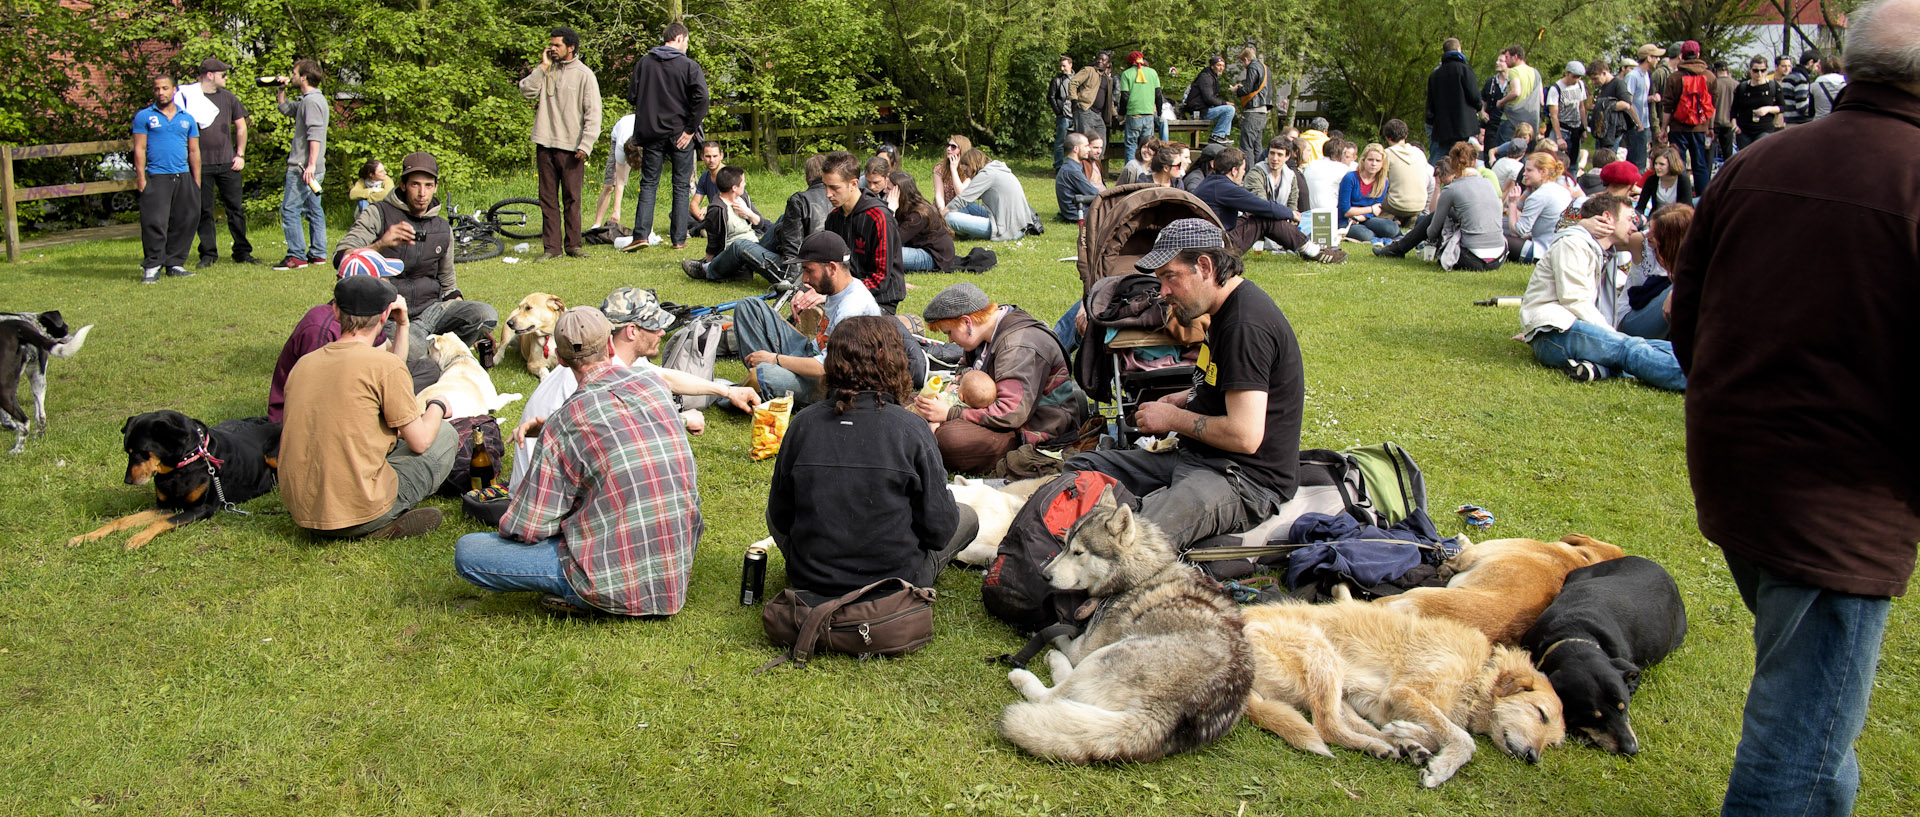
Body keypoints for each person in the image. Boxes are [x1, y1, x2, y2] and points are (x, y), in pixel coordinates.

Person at [1672, 6, 1920, 813]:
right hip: (1841, 491)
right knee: (1802, 727)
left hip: (1742, 464)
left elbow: (1687, 315)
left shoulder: (1760, 159)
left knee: (1811, 693)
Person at [1064, 219, 1301, 548]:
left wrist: (1174, 419)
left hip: (1243, 478)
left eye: (1169, 276)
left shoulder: (1246, 325)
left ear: (1204, 266)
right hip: (1198, 457)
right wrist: (1184, 397)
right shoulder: (1222, 312)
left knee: (1135, 543)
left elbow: (1245, 436)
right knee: (1083, 466)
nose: (1162, 292)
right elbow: (1227, 383)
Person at [457, 307, 703, 616]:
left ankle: (583, 597)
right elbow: (616, 423)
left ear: (559, 359)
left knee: (469, 551)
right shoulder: (653, 386)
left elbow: (529, 527)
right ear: (611, 346)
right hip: (675, 562)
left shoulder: (565, 422)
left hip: (614, 579)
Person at [768, 315, 972, 597]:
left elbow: (780, 516)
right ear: (895, 361)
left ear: (832, 362)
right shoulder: (912, 429)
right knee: (967, 517)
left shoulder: (803, 423)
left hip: (812, 576)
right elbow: (940, 528)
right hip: (894, 584)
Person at [506, 288, 759, 488]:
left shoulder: (606, 356)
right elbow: (617, 429)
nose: (662, 332)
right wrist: (680, 419)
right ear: (631, 331)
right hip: (543, 490)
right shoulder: (599, 373)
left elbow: (666, 377)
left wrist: (727, 391)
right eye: (654, 325)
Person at [280, 274, 455, 540]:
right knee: (443, 435)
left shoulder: (304, 365)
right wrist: (438, 405)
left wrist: (404, 326)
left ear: (336, 311)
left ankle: (353, 518)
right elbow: (419, 442)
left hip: (303, 511)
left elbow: (389, 372)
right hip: (361, 509)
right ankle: (374, 525)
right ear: (386, 315)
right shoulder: (383, 366)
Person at [331, 151, 500, 379]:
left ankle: (442, 349)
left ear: (436, 186)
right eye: (415, 185)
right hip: (394, 313)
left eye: (428, 185)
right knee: (413, 352)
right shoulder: (378, 214)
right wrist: (381, 243)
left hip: (431, 309)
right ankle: (429, 357)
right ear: (402, 184)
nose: (422, 193)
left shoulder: (442, 227)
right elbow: (341, 258)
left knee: (485, 314)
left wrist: (469, 323)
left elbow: (448, 283)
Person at [910, 283, 1087, 474]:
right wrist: (954, 387)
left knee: (951, 440)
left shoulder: (1018, 346)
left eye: (949, 332)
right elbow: (964, 369)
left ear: (966, 322)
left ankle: (917, 438)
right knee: (914, 401)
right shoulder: (983, 333)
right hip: (994, 416)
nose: (951, 340)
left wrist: (951, 414)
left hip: (1032, 432)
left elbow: (1011, 413)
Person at [1519, 193, 1684, 390]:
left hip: (1563, 330)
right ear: (1607, 218)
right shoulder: (1573, 244)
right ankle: (1694, 379)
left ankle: (1598, 369)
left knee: (1648, 347)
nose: (1634, 227)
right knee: (1629, 349)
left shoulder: (1603, 251)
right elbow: (1575, 300)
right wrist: (1612, 335)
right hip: (1555, 331)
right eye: (1630, 219)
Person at [737, 232, 882, 404]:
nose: (805, 279)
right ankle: (763, 380)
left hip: (828, 381)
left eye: (809, 270)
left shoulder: (853, 308)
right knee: (749, 307)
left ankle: (758, 382)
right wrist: (812, 295)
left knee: (764, 374)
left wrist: (774, 359)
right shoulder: (843, 286)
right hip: (810, 352)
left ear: (832, 268)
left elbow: (826, 367)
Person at [518, 26, 602, 261]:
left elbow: (593, 113)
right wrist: (543, 67)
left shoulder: (585, 74)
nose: (552, 49)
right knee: (547, 199)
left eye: (557, 45)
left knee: (572, 199)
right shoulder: (545, 70)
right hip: (545, 142)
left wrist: (586, 144)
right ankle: (552, 249)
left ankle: (573, 245)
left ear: (571, 47)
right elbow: (526, 91)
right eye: (551, 45)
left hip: (572, 147)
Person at [622, 22, 705, 251]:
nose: (687, 46)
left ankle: (640, 235)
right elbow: (702, 99)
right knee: (680, 185)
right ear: (679, 38)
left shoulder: (644, 63)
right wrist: (690, 129)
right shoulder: (689, 66)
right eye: (687, 41)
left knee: (649, 183)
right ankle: (678, 239)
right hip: (680, 134)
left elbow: (632, 95)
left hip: (652, 133)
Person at [1376, 141, 1505, 270]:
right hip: (1499, 257)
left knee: (1436, 218)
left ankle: (1397, 249)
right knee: (1450, 216)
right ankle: (1397, 249)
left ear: (1453, 164)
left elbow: (1432, 231)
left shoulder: (1452, 189)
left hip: (1472, 259)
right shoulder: (1488, 183)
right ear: (1475, 162)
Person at [178, 58, 253, 269]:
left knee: (236, 209)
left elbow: (241, 127)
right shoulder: (188, 97)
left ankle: (242, 251)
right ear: (210, 74)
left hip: (228, 163)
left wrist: (240, 154)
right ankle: (208, 253)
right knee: (204, 210)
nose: (227, 78)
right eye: (223, 74)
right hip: (201, 164)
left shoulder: (229, 98)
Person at [132, 75, 200, 285]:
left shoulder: (187, 118)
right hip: (157, 176)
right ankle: (152, 266)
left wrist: (196, 181)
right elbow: (139, 148)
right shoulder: (144, 117)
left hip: (183, 176)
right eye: (156, 89)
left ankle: (175, 263)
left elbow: (194, 150)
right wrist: (141, 178)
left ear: (174, 90)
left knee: (185, 220)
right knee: (155, 222)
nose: (160, 93)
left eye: (164, 88)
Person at [822, 151, 905, 315]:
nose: (828, 194)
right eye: (825, 186)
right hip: (842, 294)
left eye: (834, 187)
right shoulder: (833, 219)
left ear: (853, 184)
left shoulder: (879, 218)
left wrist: (838, 293)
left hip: (880, 300)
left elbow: (880, 280)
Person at [272, 60, 329, 271]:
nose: (292, 76)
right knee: (314, 210)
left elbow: (314, 135)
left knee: (289, 209)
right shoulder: (310, 100)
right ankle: (318, 253)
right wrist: (281, 91)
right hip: (312, 167)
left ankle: (296, 256)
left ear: (304, 77)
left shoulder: (311, 102)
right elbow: (286, 109)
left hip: (303, 167)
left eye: (294, 73)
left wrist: (310, 165)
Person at [680, 165, 779, 283]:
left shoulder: (743, 197)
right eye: (743, 182)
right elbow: (713, 242)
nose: (745, 184)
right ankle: (708, 268)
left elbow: (760, 224)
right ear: (734, 188)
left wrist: (748, 212)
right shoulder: (717, 209)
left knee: (782, 222)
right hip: (734, 253)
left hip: (755, 245)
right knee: (739, 245)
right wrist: (710, 261)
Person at [1616, 202, 1688, 340]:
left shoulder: (1690, 253)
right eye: (1649, 228)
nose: (1648, 235)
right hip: (1632, 318)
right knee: (1686, 285)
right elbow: (1611, 239)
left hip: (1666, 320)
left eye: (1655, 234)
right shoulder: (1641, 242)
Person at [943, 148, 1039, 242]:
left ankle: (964, 232)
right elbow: (966, 199)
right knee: (967, 206)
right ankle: (964, 231)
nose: (967, 175)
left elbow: (962, 199)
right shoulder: (996, 169)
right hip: (1016, 224)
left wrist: (938, 216)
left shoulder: (986, 175)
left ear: (972, 166)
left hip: (1007, 230)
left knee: (950, 218)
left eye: (966, 171)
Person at [1662, 41, 1715, 194]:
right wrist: (1710, 127)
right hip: (1700, 127)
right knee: (1700, 165)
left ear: (1681, 56)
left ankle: (1682, 196)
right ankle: (1702, 198)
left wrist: (1664, 128)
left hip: (1678, 127)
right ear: (1698, 55)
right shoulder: (1710, 77)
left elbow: (1668, 106)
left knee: (1679, 164)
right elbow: (1713, 106)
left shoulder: (1674, 77)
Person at [1507, 151, 1575, 262]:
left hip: (1542, 252)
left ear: (1543, 172)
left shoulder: (1539, 196)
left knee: (1498, 240)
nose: (1524, 174)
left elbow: (1517, 232)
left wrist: (1512, 203)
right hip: (1561, 249)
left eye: (1529, 170)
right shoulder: (1562, 190)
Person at [767, 152, 831, 266]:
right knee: (782, 220)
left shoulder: (799, 200)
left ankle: (744, 267)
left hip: (805, 266)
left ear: (807, 179)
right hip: (831, 262)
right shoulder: (840, 196)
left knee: (740, 245)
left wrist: (793, 275)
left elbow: (793, 248)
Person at [1428, 38, 1483, 158]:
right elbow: (1474, 96)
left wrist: (1431, 121)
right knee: (1460, 154)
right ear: (1459, 49)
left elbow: (1430, 104)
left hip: (1442, 124)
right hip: (1463, 124)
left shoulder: (1435, 75)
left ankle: (1436, 175)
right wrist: (1479, 107)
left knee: (1442, 155)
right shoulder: (1465, 69)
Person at [891, 172, 956, 272]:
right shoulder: (906, 206)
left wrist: (890, 211)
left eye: (888, 189)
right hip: (918, 247)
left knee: (885, 255)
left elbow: (892, 242)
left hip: (934, 256)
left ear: (899, 193)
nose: (885, 191)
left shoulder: (918, 215)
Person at [1337, 143, 1400, 243]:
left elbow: (1377, 209)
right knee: (1366, 235)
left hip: (1365, 218)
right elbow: (1345, 210)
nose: (1374, 164)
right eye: (1370, 160)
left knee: (1392, 228)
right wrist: (1370, 209)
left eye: (1378, 160)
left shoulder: (1383, 181)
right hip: (1346, 221)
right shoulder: (1350, 178)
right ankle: (1377, 237)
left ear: (1382, 163)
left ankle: (1380, 235)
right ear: (1363, 160)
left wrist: (1361, 217)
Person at [588, 111, 636, 230]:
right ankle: (597, 224)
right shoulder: (620, 147)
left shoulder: (647, 141)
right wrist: (616, 211)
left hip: (639, 139)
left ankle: (647, 229)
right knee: (609, 185)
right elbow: (619, 180)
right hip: (619, 136)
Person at [1242, 136, 1309, 215]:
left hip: (1282, 221)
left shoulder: (1291, 176)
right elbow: (1262, 205)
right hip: (1256, 221)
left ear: (1287, 157)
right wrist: (1289, 214)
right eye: (1272, 153)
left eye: (1279, 154)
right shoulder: (1255, 173)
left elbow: (1292, 205)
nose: (1274, 158)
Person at [1117, 51, 1163, 164]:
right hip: (1148, 114)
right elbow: (1158, 95)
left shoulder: (1126, 74)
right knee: (1148, 145)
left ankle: (1131, 171)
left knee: (1131, 145)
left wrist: (1122, 113)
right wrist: (1160, 112)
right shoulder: (1152, 73)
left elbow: (1125, 96)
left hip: (1133, 114)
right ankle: (1147, 170)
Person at [1380, 119, 1429, 221]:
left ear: (1387, 138)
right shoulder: (1419, 153)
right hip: (1420, 205)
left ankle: (1391, 217)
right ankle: (1409, 217)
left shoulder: (1386, 154)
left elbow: (1380, 183)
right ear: (1406, 136)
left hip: (1395, 205)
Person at [1732, 55, 1784, 148]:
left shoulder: (1773, 86)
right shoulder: (1742, 87)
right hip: (1744, 131)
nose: (1759, 74)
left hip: (1764, 129)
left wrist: (1767, 109)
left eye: (1762, 70)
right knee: (1746, 160)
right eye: (1755, 71)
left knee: (1760, 157)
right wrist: (1734, 125)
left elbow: (1782, 107)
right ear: (1750, 70)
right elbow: (1734, 110)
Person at [1497, 45, 1544, 146]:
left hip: (1511, 119)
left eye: (1507, 57)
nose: (1505, 60)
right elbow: (1541, 100)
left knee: (1504, 151)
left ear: (1515, 57)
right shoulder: (1536, 73)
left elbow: (1516, 92)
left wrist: (1501, 102)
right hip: (1530, 122)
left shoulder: (1514, 71)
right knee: (1525, 154)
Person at [1624, 44, 1663, 166]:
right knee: (1637, 163)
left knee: (1642, 160)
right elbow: (1628, 102)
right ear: (1649, 58)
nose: (1659, 60)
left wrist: (1651, 98)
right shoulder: (1633, 76)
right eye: (1656, 57)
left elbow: (1639, 98)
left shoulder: (1646, 75)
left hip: (1644, 124)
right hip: (1636, 126)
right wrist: (1638, 123)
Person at [1235, 45, 1276, 156]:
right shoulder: (1265, 68)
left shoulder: (1252, 67)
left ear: (1247, 59)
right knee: (1257, 145)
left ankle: (1249, 172)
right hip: (1263, 109)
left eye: (1242, 63)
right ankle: (1258, 170)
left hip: (1253, 110)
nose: (1243, 66)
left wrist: (1237, 89)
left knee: (1246, 145)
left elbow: (1248, 89)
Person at [1069, 51, 1116, 146]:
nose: (1100, 61)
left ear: (1108, 64)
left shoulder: (1108, 79)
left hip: (1099, 115)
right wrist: (1074, 100)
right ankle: (1081, 161)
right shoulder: (1089, 70)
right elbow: (1073, 83)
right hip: (1085, 110)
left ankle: (1095, 161)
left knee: (1101, 143)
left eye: (1103, 60)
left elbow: (1109, 99)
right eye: (1098, 58)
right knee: (1085, 143)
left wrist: (1114, 114)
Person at [1300, 135, 1352, 222]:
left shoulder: (1311, 164)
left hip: (1307, 212)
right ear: (1339, 153)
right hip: (1329, 215)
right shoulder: (1343, 169)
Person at [1545, 62, 1589, 165]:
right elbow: (1554, 116)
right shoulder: (1555, 89)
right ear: (1567, 73)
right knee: (1555, 161)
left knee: (1574, 163)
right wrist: (1559, 138)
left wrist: (1584, 129)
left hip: (1575, 129)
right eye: (1574, 77)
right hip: (1561, 129)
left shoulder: (1580, 85)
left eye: (1579, 77)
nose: (1576, 80)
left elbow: (1581, 107)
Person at [1187, 55, 1235, 145]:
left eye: (1223, 66)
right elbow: (1208, 98)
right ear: (1212, 66)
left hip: (1204, 109)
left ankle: (1222, 136)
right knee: (1229, 109)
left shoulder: (1212, 76)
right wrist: (1224, 103)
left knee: (1229, 108)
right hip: (1199, 111)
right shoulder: (1206, 77)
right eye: (1219, 65)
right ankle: (1217, 135)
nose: (1221, 68)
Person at [683, 140, 727, 234]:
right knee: (678, 212)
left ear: (721, 156)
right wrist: (702, 218)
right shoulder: (705, 176)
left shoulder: (728, 174)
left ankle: (695, 230)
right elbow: (694, 204)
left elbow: (730, 204)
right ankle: (703, 227)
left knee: (718, 215)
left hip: (724, 214)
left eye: (715, 156)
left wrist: (709, 208)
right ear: (702, 157)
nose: (711, 160)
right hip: (710, 216)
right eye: (708, 156)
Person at [1634, 146, 1694, 215]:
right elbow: (1640, 207)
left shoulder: (1683, 180)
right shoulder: (1651, 180)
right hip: (1656, 218)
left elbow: (1686, 208)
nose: (1657, 167)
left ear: (1672, 164)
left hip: (1678, 218)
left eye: (1661, 164)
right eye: (1656, 164)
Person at [1055, 133, 1101, 223]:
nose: (1089, 149)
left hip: (1081, 210)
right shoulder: (1072, 171)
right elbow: (1095, 194)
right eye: (1086, 146)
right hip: (1079, 214)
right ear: (1076, 149)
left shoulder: (1072, 167)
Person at [1480, 53, 1510, 160]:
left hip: (1508, 124)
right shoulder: (1491, 81)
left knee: (1505, 155)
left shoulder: (1514, 82)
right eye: (1497, 60)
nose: (1497, 63)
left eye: (1501, 61)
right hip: (1492, 123)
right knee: (1488, 155)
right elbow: (1483, 99)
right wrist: (1482, 112)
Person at [1048, 54, 1076, 170]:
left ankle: (1073, 165)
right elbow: (1051, 97)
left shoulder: (1077, 78)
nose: (1062, 69)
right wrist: (1058, 111)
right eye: (1060, 66)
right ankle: (1058, 166)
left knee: (1075, 143)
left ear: (1070, 65)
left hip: (1075, 115)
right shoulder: (1057, 80)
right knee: (1060, 142)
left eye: (1064, 66)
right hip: (1063, 116)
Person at [1779, 49, 1819, 125]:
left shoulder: (1788, 77)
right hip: (1799, 123)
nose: (1816, 69)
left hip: (1788, 121)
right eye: (1816, 65)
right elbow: (1802, 107)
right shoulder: (1801, 79)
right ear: (1811, 62)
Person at [1711, 61, 1739, 163]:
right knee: (1728, 155)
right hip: (1730, 123)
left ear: (1715, 70)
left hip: (1714, 123)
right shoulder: (1736, 85)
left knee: (1709, 154)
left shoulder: (1714, 84)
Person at [1810, 54, 1848, 120]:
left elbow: (1811, 111)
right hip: (1841, 121)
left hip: (1820, 123)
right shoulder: (1847, 84)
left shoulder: (1814, 86)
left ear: (1821, 69)